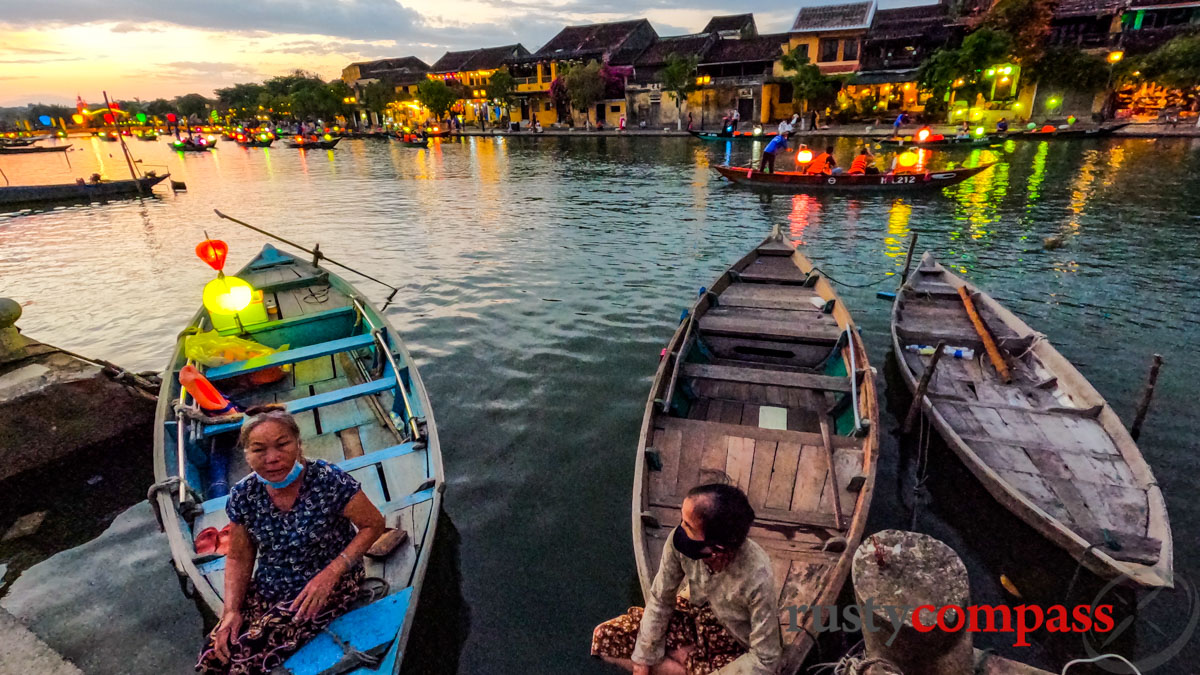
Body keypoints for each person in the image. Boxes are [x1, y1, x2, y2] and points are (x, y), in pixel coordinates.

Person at [196, 406, 386, 674]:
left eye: (282, 444)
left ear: (298, 444)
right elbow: (239, 556)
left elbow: (373, 524)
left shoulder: (328, 480)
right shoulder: (244, 495)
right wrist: (231, 610)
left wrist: (332, 573)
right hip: (270, 586)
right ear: (247, 454)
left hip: (330, 583)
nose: (272, 458)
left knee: (245, 656)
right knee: (214, 653)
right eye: (259, 449)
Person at [591, 484, 781, 675]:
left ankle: (681, 659)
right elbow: (660, 599)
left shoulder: (757, 576)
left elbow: (766, 659)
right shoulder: (679, 543)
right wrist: (643, 657)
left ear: (718, 546)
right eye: (682, 519)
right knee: (604, 638)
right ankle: (681, 663)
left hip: (733, 640)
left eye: (688, 526)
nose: (680, 529)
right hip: (694, 614)